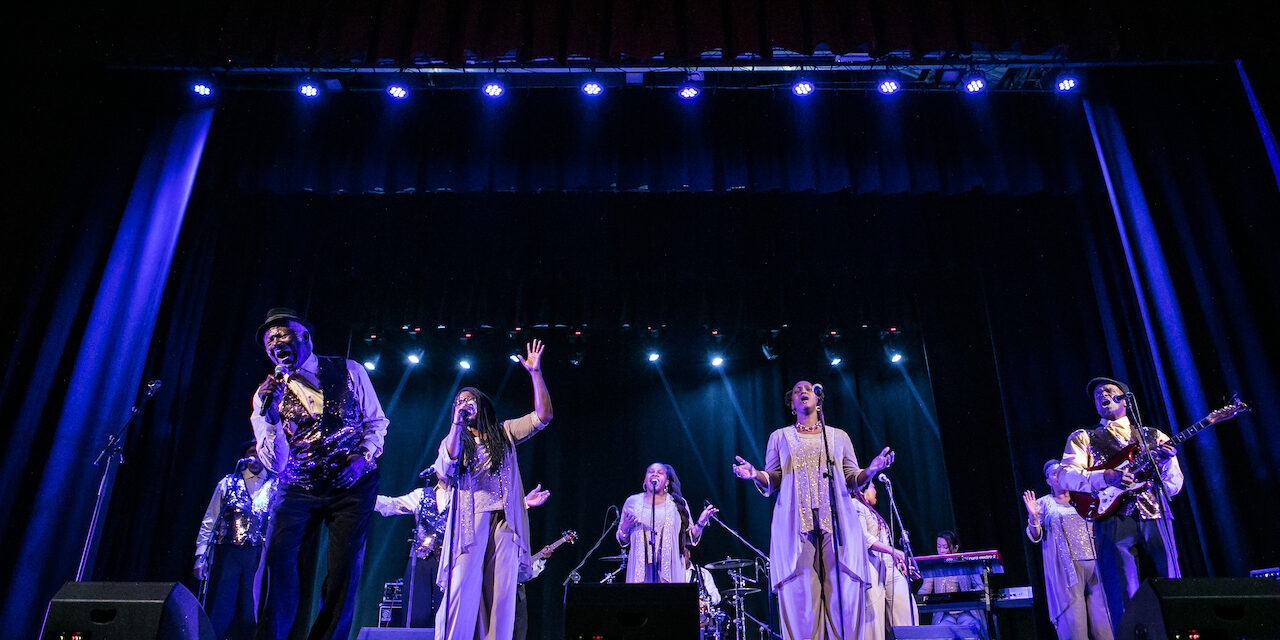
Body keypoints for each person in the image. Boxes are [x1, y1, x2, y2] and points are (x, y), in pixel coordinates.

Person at [250, 308, 389, 640]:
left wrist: (362, 457)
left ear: (305, 338)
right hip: (298, 483)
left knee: (343, 569)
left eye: (282, 334)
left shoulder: (349, 369)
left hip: (352, 482)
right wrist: (270, 419)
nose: (275, 342)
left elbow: (376, 422)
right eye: (270, 339)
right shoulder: (265, 395)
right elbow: (276, 464)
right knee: (277, 559)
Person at [732, 379, 895, 640]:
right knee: (802, 600)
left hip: (837, 523)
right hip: (796, 524)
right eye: (797, 391)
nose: (803, 392)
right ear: (792, 404)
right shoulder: (779, 436)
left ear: (819, 399)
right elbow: (773, 478)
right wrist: (755, 474)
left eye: (808, 389)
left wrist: (872, 470)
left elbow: (852, 477)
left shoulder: (838, 436)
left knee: (843, 595)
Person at [433, 339, 552, 640]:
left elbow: (543, 417)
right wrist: (456, 425)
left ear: (482, 405)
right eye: (459, 401)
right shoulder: (456, 440)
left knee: (502, 593)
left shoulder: (505, 433)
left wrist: (535, 373)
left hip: (504, 522)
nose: (463, 404)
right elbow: (445, 468)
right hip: (469, 524)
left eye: (469, 400)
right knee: (462, 586)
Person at [1058, 377, 1182, 621]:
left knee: (1172, 584)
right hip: (1113, 519)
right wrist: (1105, 477)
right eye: (1096, 396)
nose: (1101, 395)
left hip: (1156, 515)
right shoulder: (1083, 437)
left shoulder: (1153, 436)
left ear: (1125, 399)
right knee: (1123, 594)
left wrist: (1166, 464)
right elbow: (1066, 476)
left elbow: (1174, 486)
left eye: (1108, 391)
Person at [377, 480, 550, 629]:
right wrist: (363, 496)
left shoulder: (465, 496)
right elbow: (393, 505)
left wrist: (524, 503)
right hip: (421, 560)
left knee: (444, 613)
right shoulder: (421, 495)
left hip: (448, 562)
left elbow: (496, 508)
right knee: (415, 614)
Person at [195, 442, 277, 640]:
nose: (255, 458)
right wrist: (201, 555)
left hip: (258, 554)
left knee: (252, 609)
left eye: (260, 453)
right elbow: (211, 519)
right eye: (251, 453)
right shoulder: (229, 483)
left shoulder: (275, 485)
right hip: (229, 552)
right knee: (221, 606)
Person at [1023, 460, 1113, 640]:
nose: (1060, 476)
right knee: (1075, 628)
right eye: (1055, 474)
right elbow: (1035, 536)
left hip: (1096, 565)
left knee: (1104, 627)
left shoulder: (1086, 498)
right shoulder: (1044, 503)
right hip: (1068, 572)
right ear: (1049, 481)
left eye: (1063, 472)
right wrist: (1033, 518)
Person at [616, 462, 718, 584]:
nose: (655, 474)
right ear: (645, 479)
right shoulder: (632, 502)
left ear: (667, 482)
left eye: (660, 473)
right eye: (651, 471)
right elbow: (623, 539)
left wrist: (700, 523)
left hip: (671, 570)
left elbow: (688, 539)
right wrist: (625, 527)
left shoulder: (677, 503)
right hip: (641, 572)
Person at [853, 481, 918, 640]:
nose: (876, 491)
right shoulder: (855, 505)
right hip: (871, 568)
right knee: (874, 623)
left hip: (889, 567)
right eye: (873, 487)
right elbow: (863, 537)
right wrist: (894, 551)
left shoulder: (872, 511)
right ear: (863, 489)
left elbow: (884, 542)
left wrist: (898, 561)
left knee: (907, 610)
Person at [917, 530, 987, 638]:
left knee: (972, 628)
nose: (941, 551)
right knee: (940, 632)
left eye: (945, 547)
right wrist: (916, 599)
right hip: (945, 615)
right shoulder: (934, 566)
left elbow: (980, 586)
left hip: (966, 612)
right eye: (938, 546)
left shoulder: (966, 564)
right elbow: (925, 589)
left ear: (955, 548)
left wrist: (972, 594)